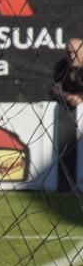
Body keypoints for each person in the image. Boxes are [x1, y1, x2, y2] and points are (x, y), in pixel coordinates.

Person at [51, 37, 83, 192]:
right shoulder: (61, 66)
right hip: (68, 117)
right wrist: (68, 97)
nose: (72, 56)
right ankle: (66, 185)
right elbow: (54, 90)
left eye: (75, 52)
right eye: (68, 52)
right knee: (67, 151)